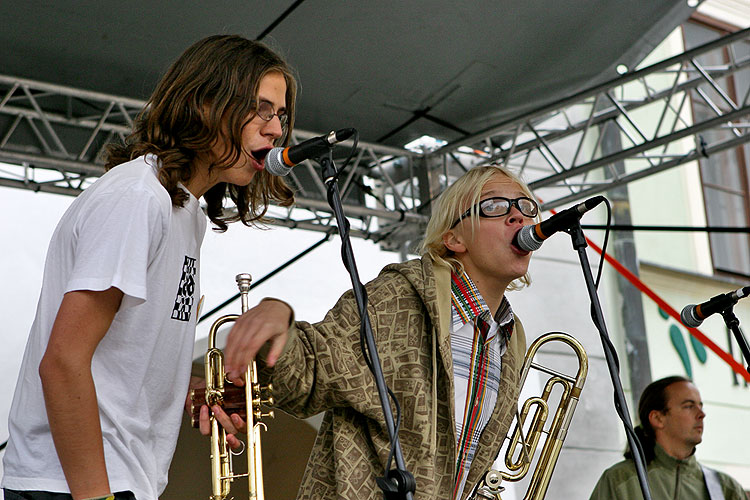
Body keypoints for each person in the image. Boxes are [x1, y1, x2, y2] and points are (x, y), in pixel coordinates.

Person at [2, 34, 298, 500]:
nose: (276, 129)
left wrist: (189, 387)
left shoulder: (183, 214)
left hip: (118, 479)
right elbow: (61, 362)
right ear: (206, 103)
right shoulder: (138, 198)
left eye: (280, 115)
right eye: (261, 110)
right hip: (71, 485)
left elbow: (122, 356)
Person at [220, 164, 539, 499]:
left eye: (525, 206)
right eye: (494, 206)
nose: (517, 216)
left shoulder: (507, 337)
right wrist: (279, 319)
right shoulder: (399, 297)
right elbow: (307, 375)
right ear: (454, 238)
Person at [589, 376, 747, 500]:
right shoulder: (619, 480)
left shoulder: (726, 488)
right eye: (689, 406)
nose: (701, 414)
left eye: (700, 405)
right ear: (657, 418)